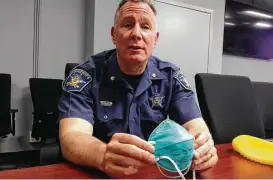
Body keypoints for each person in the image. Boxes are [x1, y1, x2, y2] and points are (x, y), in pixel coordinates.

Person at [58, 0, 218, 177]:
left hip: (154, 173)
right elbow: (71, 137)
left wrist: (203, 146)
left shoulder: (171, 76)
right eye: (127, 25)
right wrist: (102, 155)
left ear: (155, 39)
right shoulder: (85, 75)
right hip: (102, 173)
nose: (136, 34)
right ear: (114, 34)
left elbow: (195, 127)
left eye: (145, 26)